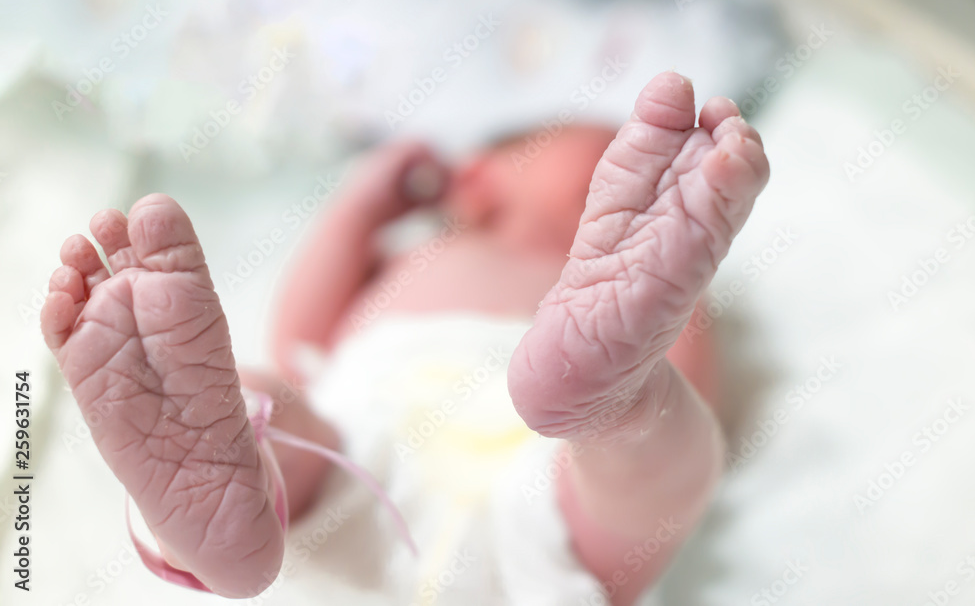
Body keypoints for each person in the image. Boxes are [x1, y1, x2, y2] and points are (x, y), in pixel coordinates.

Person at [40, 71, 769, 605]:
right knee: (266, 399)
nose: (627, 185)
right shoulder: (416, 252)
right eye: (595, 175)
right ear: (480, 178)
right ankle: (218, 507)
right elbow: (303, 340)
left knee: (659, 460)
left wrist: (666, 322)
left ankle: (615, 396)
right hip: (356, 456)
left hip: (546, 496)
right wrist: (357, 210)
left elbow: (701, 394)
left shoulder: (648, 301)